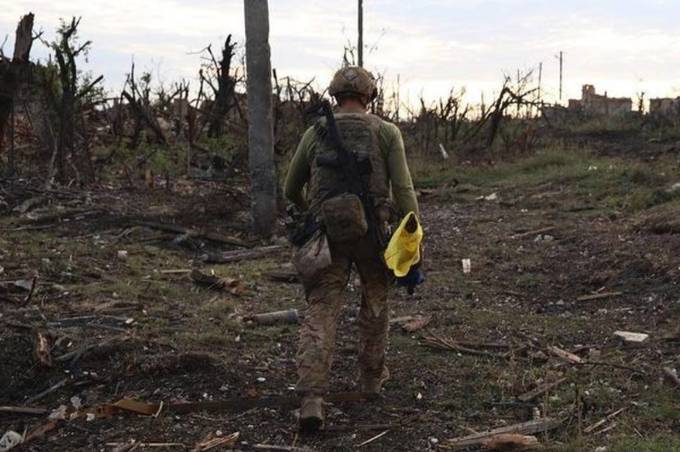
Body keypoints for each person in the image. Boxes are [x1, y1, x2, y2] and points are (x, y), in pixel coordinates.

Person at [284, 66, 420, 432]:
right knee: (375, 303)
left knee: (321, 309)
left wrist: (310, 214)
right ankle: (372, 381)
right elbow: (404, 191)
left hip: (326, 235)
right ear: (369, 96)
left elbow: (290, 189)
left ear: (334, 96)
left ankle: (312, 397)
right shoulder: (387, 132)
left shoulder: (316, 132)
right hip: (374, 234)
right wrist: (412, 232)